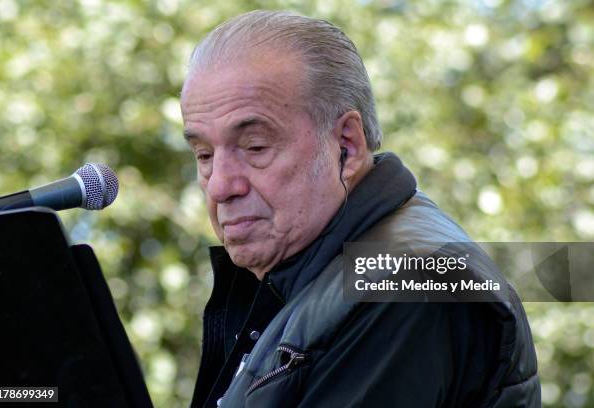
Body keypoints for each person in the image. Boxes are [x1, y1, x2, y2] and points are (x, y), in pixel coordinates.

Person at [180, 10, 541, 408]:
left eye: (255, 148)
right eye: (204, 154)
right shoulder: (308, 275)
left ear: (346, 147)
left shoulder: (407, 280)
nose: (219, 186)